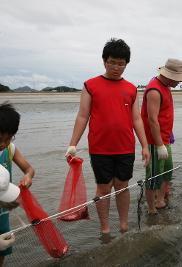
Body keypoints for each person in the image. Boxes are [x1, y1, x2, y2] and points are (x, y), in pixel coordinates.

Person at [66, 39, 150, 234]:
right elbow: (82, 116)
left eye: (121, 63)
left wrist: (144, 146)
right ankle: (105, 228)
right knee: (103, 189)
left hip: (125, 147)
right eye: (112, 62)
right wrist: (72, 144)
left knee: (122, 186)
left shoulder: (131, 88)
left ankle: (123, 225)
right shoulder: (90, 85)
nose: (116, 67)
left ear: (126, 64)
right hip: (99, 148)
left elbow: (136, 119)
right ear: (104, 61)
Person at [141, 58, 182, 215]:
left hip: (165, 138)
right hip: (154, 141)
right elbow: (152, 120)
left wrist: (168, 136)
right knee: (154, 176)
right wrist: (159, 144)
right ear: (170, 76)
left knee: (167, 170)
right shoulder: (154, 90)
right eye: (179, 79)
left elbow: (165, 115)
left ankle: (160, 200)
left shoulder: (166, 87)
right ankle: (151, 209)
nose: (180, 82)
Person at [0, 103, 34, 265]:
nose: (3, 144)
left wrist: (28, 176)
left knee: (3, 251)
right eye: (0, 139)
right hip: (4, 202)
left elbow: (29, 168)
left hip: (3, 213)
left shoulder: (10, 149)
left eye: (9, 138)